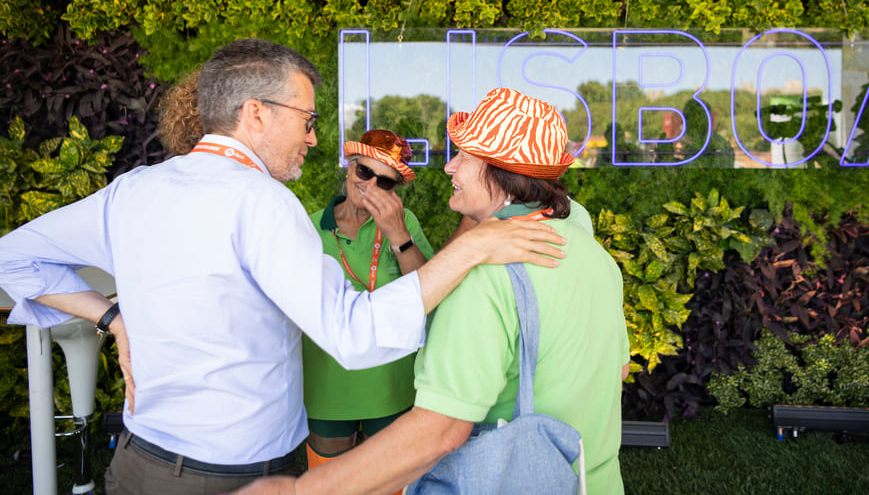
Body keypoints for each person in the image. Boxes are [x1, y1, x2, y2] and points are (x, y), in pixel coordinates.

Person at [0, 40, 566, 495]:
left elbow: (14, 257)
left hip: (138, 463)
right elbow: (353, 334)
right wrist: (470, 248)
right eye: (306, 119)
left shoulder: (132, 191)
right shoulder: (264, 203)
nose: (314, 138)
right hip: (232, 477)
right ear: (255, 113)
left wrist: (112, 319)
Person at [235, 87, 629, 495]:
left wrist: (300, 491)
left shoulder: (483, 271)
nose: (449, 168)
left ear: (499, 170)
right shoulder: (592, 254)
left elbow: (439, 432)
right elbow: (617, 371)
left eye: (464, 156)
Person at [302, 129, 433, 470]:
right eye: (364, 172)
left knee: (387, 482)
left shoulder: (405, 224)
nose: (371, 185)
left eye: (385, 182)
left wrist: (398, 235)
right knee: (328, 485)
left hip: (391, 386)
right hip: (326, 385)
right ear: (349, 167)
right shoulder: (309, 228)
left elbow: (428, 293)